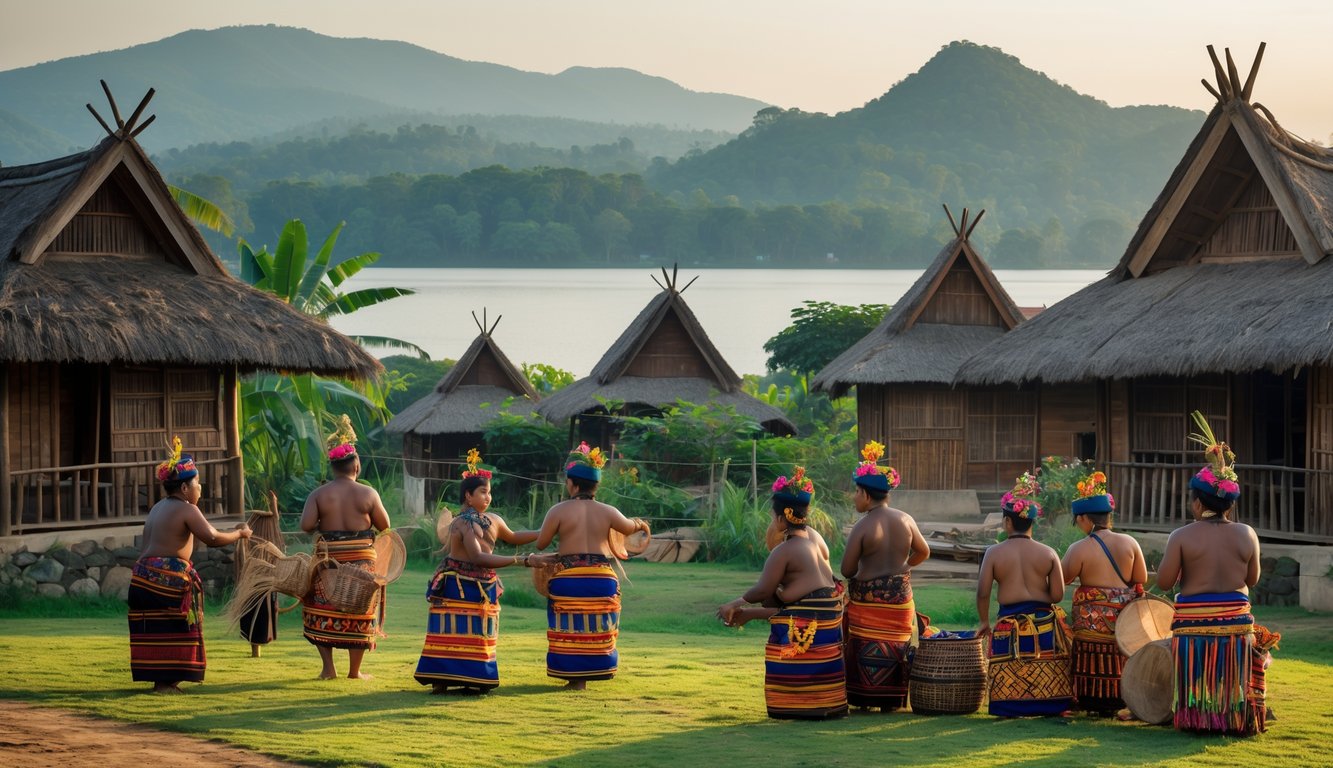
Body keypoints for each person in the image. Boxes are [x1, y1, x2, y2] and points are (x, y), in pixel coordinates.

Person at [1157, 411, 1279, 736]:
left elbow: (1165, 583)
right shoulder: (1247, 533)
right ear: (1230, 504)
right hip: (1236, 624)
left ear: (1198, 504)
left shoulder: (1181, 536)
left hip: (1193, 626)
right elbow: (1252, 580)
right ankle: (1235, 714)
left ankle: (1197, 716)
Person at [414, 449, 553, 694]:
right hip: (459, 584)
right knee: (452, 632)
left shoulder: (493, 519)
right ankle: (441, 678)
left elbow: (513, 536)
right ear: (468, 496)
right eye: (482, 492)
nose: (488, 497)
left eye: (489, 492)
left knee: (477, 633)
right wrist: (524, 560)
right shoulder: (462, 522)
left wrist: (547, 532)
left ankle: (475, 678)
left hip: (482, 585)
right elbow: (478, 557)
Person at [718, 467, 848, 720]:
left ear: (780, 519)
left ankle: (798, 703)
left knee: (775, 597)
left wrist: (733, 603)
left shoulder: (785, 550)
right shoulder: (815, 539)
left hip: (812, 616)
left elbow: (763, 589)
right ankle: (824, 700)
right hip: (830, 611)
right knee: (780, 598)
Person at [130, 436, 251, 693]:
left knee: (157, 630)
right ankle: (165, 684)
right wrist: (240, 534)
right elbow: (212, 537)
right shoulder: (187, 509)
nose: (200, 489)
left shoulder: (157, 508)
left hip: (141, 578)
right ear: (185, 488)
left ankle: (162, 682)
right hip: (165, 580)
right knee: (175, 629)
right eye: (197, 483)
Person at [534, 442, 649, 690]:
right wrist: (641, 523)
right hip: (602, 579)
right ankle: (589, 674)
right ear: (595, 485)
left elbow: (542, 543)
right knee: (594, 629)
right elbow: (630, 527)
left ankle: (575, 678)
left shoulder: (558, 510)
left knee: (571, 629)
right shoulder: (609, 511)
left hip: (569, 579)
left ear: (572, 484)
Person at [300, 415, 391, 680]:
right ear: (356, 466)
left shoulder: (318, 494)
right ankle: (354, 671)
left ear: (333, 468)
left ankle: (328, 669)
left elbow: (306, 525)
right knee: (360, 609)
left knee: (321, 608)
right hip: (361, 561)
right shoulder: (368, 494)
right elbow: (385, 525)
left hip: (329, 560)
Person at [840, 441, 929, 711]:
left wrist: (865, 573)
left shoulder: (863, 526)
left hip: (868, 604)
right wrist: (904, 567)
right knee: (896, 648)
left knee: (864, 646)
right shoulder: (906, 519)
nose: (854, 497)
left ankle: (865, 699)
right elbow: (924, 551)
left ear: (866, 495)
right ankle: (891, 700)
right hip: (900, 601)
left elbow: (846, 571)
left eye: (856, 492)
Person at [976, 472, 1073, 717]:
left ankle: (1009, 706)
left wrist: (984, 621)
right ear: (1032, 523)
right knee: (1044, 668)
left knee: (1012, 669)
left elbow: (983, 592)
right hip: (1043, 623)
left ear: (1007, 522)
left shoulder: (993, 553)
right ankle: (1048, 704)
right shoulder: (1048, 553)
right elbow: (1057, 595)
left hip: (1008, 622)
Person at [1060, 470, 1147, 715]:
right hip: (1123, 623)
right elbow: (1140, 579)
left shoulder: (1078, 548)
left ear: (1083, 519)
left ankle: (1090, 699)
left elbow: (1063, 579)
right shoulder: (1130, 543)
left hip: (1092, 625)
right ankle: (1122, 696)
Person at [235, 490, 284, 657]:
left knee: (261, 616)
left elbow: (275, 520)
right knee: (254, 615)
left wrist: (273, 503)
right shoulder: (250, 538)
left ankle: (256, 650)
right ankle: (255, 650)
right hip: (254, 585)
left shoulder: (269, 543)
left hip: (264, 584)